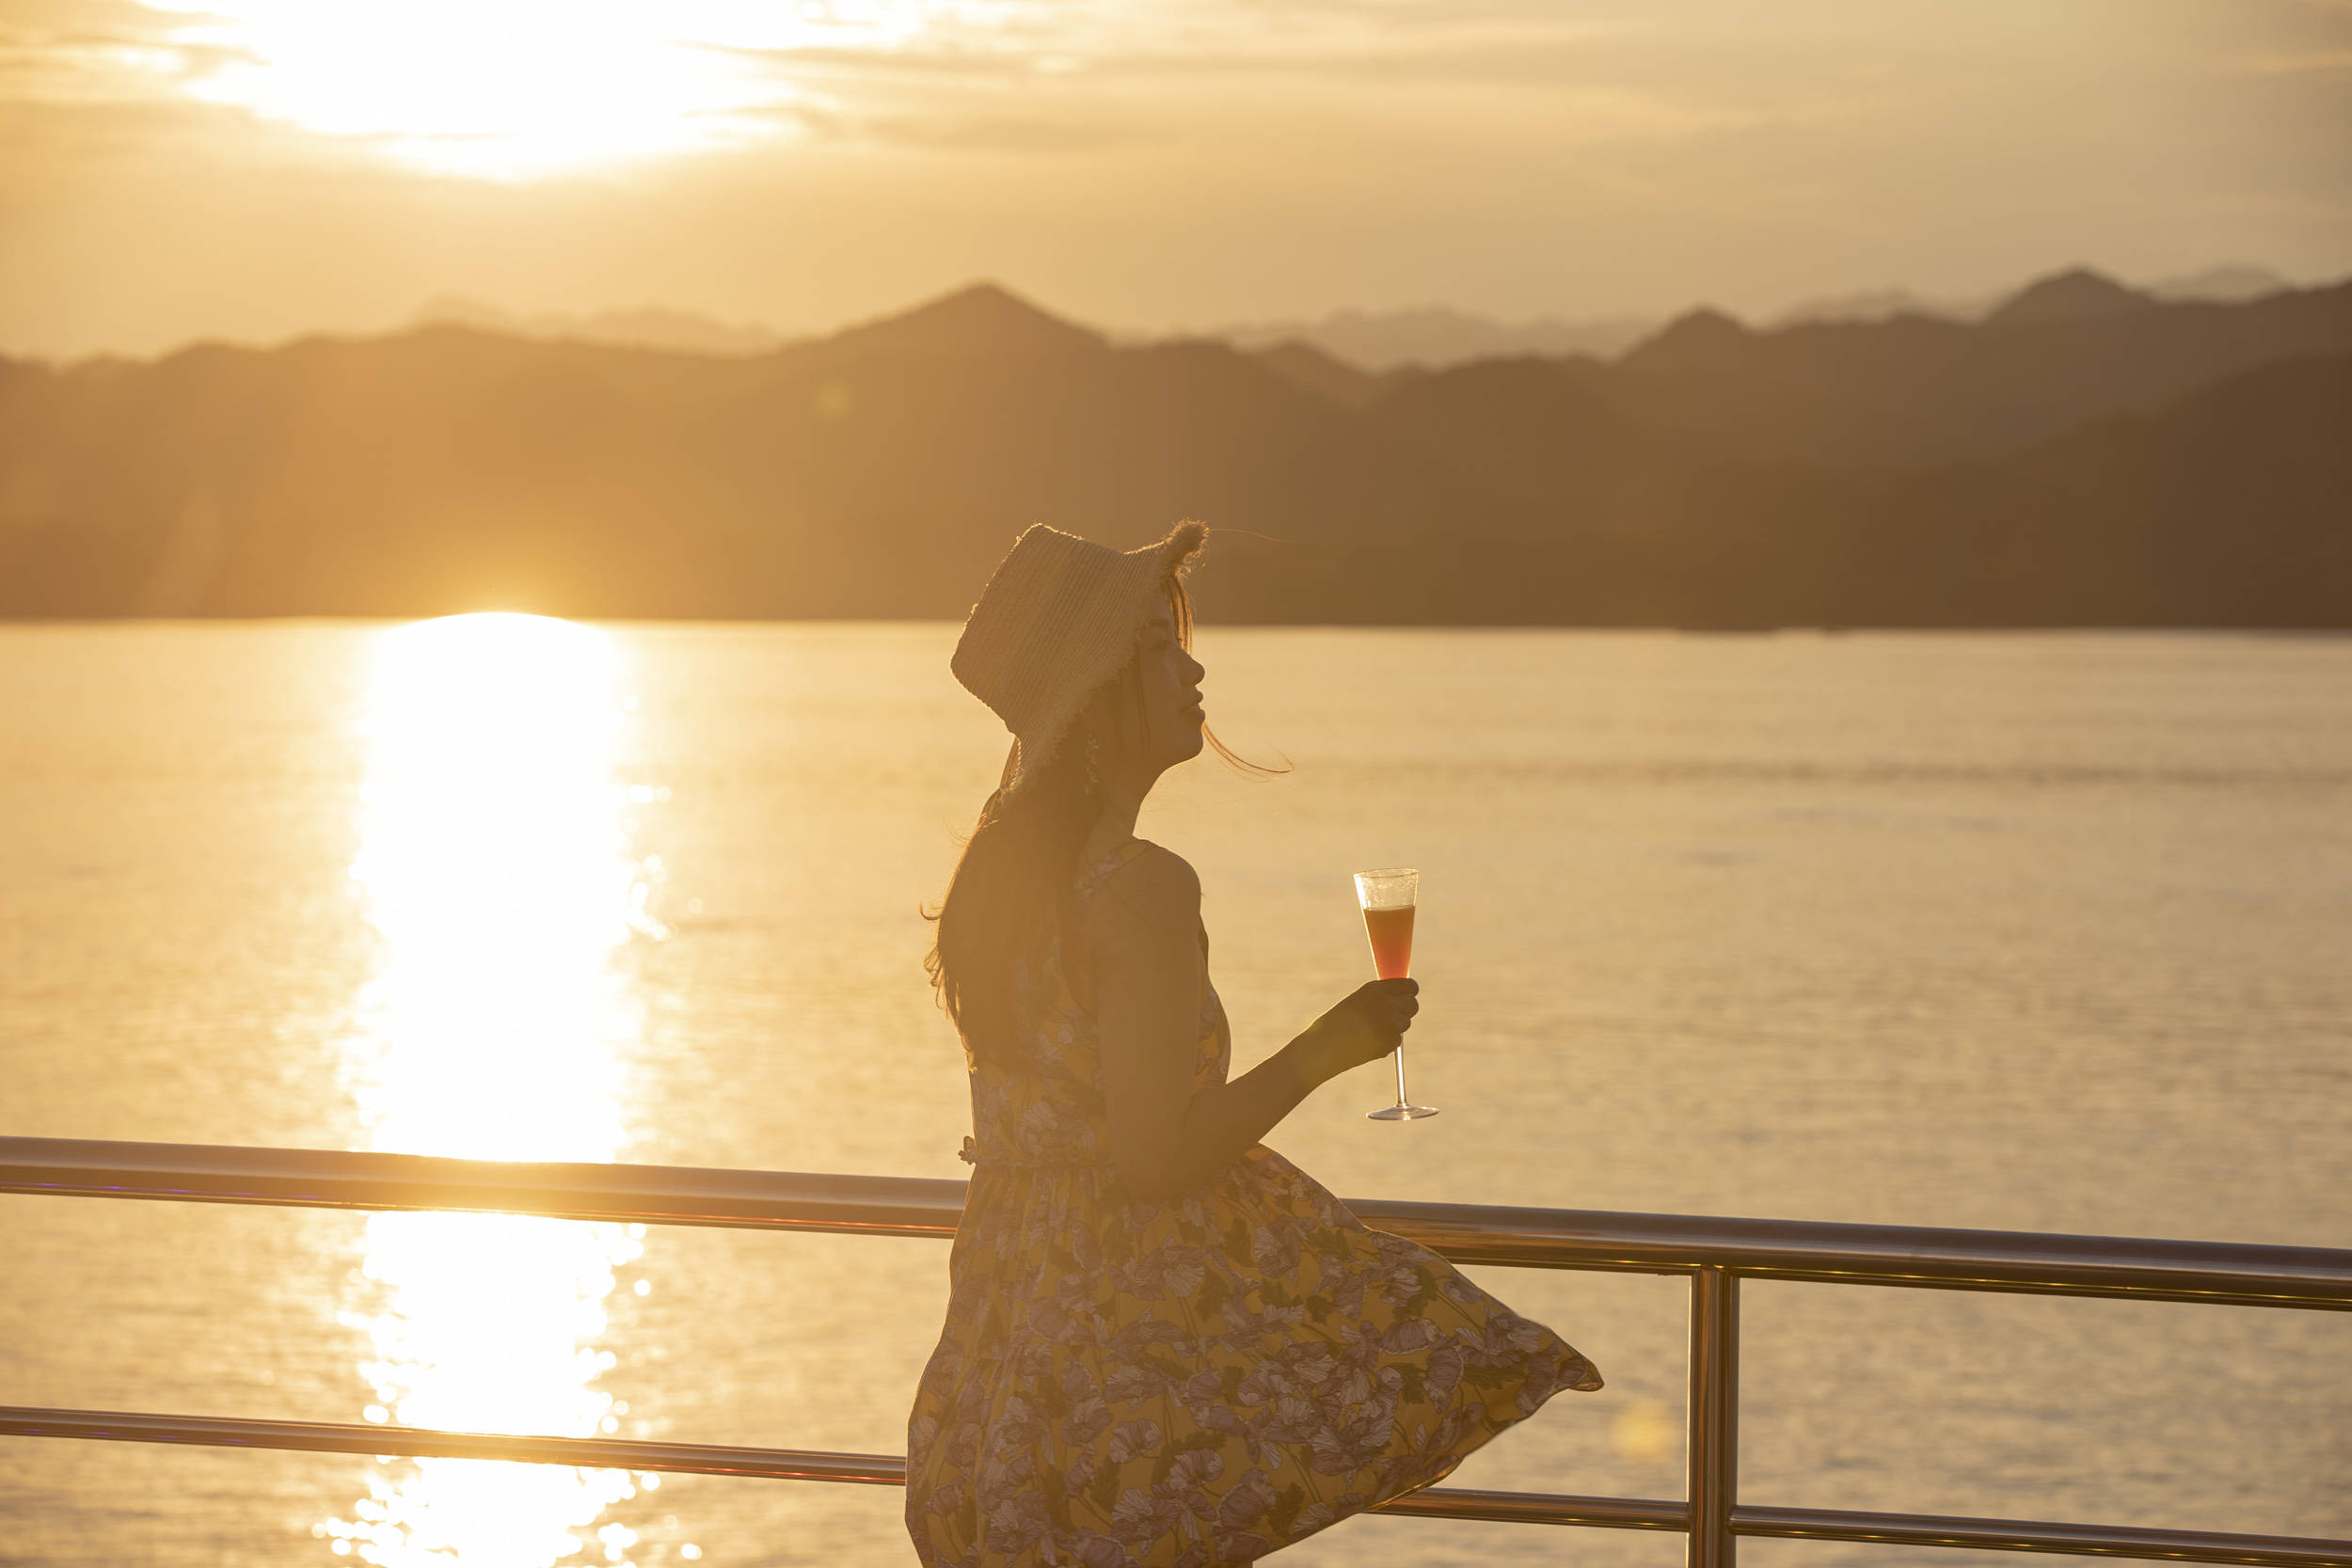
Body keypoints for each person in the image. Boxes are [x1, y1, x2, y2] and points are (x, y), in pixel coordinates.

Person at [907, 522, 1600, 1567]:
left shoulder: (999, 882)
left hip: (1002, 1360)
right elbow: (1150, 1158)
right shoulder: (1139, 888)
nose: (1192, 665)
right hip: (1120, 1376)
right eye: (1153, 645)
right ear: (1093, 694)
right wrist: (1327, 1045)